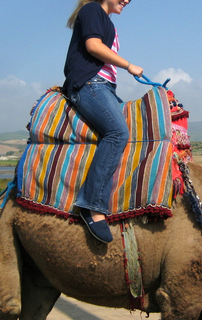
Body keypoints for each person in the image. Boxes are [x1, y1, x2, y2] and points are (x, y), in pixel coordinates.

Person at [62, 0, 143, 243]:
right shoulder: (92, 10)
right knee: (118, 133)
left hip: (105, 87)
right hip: (90, 84)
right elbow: (93, 46)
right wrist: (129, 65)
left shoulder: (105, 20)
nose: (127, 0)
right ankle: (92, 205)